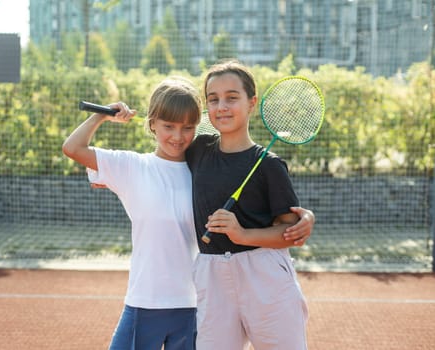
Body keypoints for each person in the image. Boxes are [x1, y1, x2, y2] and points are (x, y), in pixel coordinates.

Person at [63, 76, 314, 350]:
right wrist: (102, 116)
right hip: (144, 301)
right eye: (168, 126)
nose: (178, 136)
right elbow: (73, 148)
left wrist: (305, 218)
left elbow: (259, 198)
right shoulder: (133, 166)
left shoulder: (202, 164)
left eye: (187, 128)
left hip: (196, 303)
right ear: (152, 124)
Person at [185, 60, 310, 349]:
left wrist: (242, 234)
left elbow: (289, 233)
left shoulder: (269, 165)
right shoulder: (198, 150)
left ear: (252, 103)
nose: (221, 107)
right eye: (213, 99)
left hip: (263, 273)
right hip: (211, 272)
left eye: (232, 97)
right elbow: (164, 149)